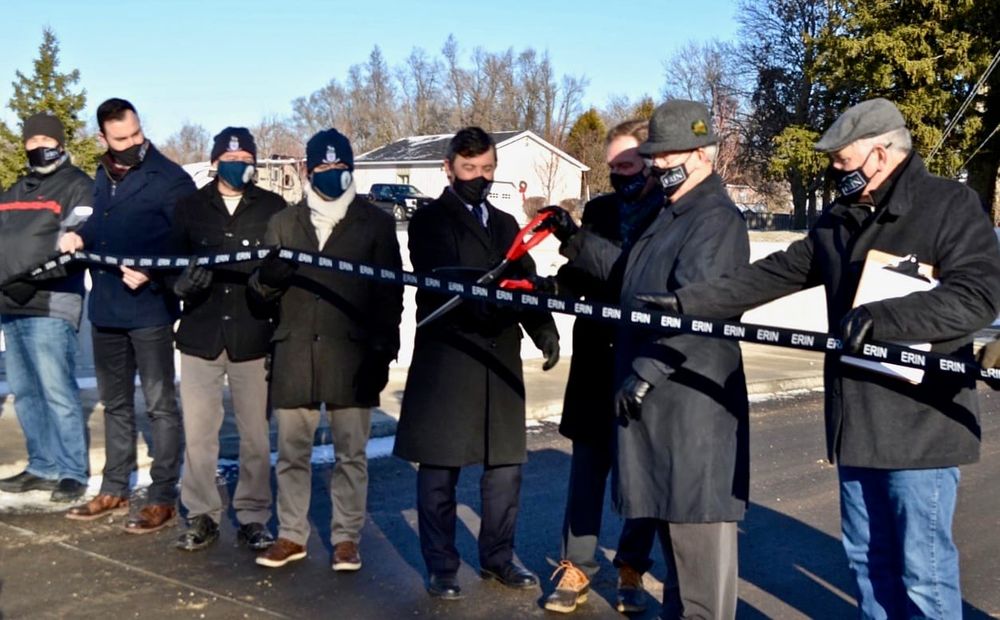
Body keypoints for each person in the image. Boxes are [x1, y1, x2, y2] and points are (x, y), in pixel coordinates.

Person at [642, 98, 1000, 619]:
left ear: (880, 153)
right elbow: (776, 273)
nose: (833, 169)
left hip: (919, 426)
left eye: (842, 159)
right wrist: (689, 303)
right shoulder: (841, 218)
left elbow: (976, 297)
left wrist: (884, 319)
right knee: (866, 562)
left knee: (922, 572)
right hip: (856, 423)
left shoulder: (949, 205)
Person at [542, 100, 751, 619]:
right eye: (650, 156)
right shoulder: (671, 214)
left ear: (703, 154)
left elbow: (702, 310)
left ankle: (632, 566)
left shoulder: (709, 219)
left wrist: (649, 371)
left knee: (698, 563)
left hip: (682, 404)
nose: (655, 165)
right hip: (632, 383)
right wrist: (560, 268)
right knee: (677, 559)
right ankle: (582, 565)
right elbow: (628, 280)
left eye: (659, 156)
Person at [393, 126, 561, 600]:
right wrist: (496, 301)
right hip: (450, 360)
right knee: (441, 471)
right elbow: (446, 279)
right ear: (449, 168)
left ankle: (498, 558)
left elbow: (524, 281)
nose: (479, 177)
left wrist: (543, 329)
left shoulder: (507, 223)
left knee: (505, 471)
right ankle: (442, 565)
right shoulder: (429, 222)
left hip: (499, 361)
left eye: (487, 169)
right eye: (469, 169)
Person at [249, 128, 403, 571]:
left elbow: (390, 294)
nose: (333, 174)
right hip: (295, 352)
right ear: (308, 170)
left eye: (341, 167)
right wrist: (269, 280)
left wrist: (383, 351)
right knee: (292, 453)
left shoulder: (373, 222)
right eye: (324, 168)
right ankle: (291, 535)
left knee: (350, 454)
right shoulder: (282, 222)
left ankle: (345, 538)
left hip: (352, 357)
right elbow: (259, 297)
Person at [59, 98, 195, 532]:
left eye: (136, 134)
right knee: (115, 404)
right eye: (122, 138)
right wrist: (79, 238)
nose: (133, 143)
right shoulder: (100, 176)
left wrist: (153, 271)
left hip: (150, 307)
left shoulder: (170, 179)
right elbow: (97, 223)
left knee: (159, 405)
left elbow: (190, 244)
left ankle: (161, 496)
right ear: (104, 138)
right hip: (107, 308)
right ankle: (114, 487)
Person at [541, 119, 660, 615]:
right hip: (595, 358)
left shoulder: (670, 215)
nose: (618, 176)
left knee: (640, 472)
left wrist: (574, 239)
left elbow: (629, 270)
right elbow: (583, 272)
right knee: (587, 468)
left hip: (643, 361)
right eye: (611, 168)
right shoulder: (601, 209)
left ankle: (632, 564)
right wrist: (549, 290)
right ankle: (577, 565)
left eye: (626, 165)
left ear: (653, 162)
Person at [170, 127, 286, 552]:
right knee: (200, 434)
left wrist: (270, 286)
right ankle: (201, 513)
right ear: (215, 161)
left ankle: (254, 516)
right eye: (229, 158)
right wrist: (180, 283)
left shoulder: (273, 208)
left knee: (255, 434)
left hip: (253, 335)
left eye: (245, 158)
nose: (237, 165)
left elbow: (285, 268)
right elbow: (168, 263)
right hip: (200, 335)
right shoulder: (189, 207)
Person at [0, 112, 92, 503]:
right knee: (25, 391)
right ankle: (42, 465)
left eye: (45, 139)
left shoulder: (77, 186)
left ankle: (71, 470)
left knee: (56, 389)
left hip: (51, 301)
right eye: (31, 140)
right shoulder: (13, 191)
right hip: (10, 302)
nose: (38, 146)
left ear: (60, 142)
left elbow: (79, 241)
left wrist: (33, 278)